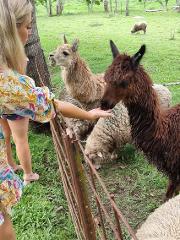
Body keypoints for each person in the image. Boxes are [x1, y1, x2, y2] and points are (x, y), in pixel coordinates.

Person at [0, 0, 112, 239]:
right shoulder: (8, 83)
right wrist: (89, 114)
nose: (29, 33)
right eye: (28, 27)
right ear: (12, 29)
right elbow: (52, 104)